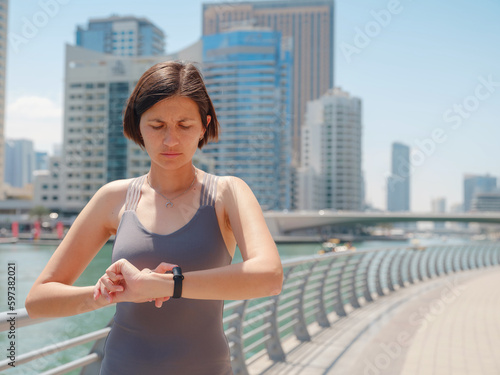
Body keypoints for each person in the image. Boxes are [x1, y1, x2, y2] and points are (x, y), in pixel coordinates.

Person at [25, 61, 283, 374]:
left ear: (204, 126)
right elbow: (38, 300)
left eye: (184, 126)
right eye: (157, 126)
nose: (170, 140)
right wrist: (104, 294)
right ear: (138, 126)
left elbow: (269, 276)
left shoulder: (227, 193)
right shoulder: (114, 197)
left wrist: (164, 285)